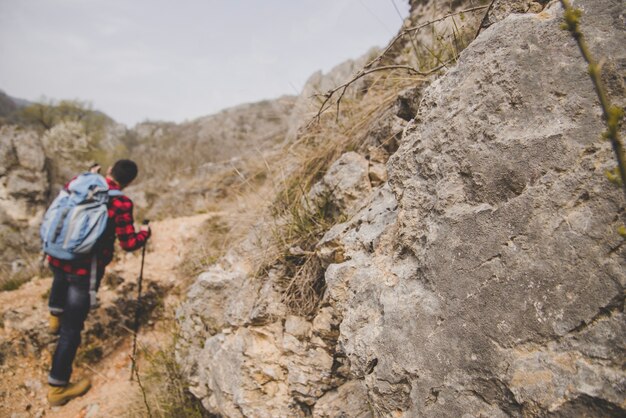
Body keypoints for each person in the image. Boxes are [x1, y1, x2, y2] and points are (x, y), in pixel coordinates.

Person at [45, 159, 150, 406]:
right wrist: (147, 233)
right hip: (84, 272)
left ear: (110, 170)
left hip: (55, 256)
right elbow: (129, 243)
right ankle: (57, 389)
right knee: (72, 330)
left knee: (59, 278)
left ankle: (53, 317)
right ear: (130, 181)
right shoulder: (121, 202)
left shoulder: (80, 183)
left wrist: (91, 173)